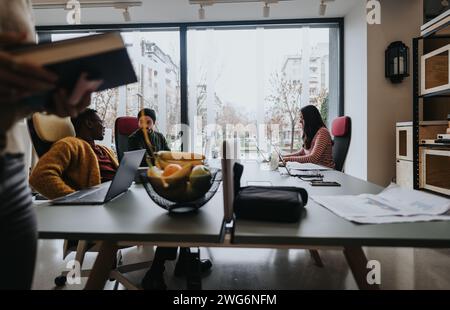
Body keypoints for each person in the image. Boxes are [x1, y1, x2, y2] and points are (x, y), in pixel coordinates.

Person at [0, 0, 100, 290]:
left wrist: (49, 96)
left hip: (10, 164)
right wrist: (78, 201)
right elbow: (42, 177)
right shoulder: (71, 145)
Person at [128, 108, 212, 290]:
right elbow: (138, 163)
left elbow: (169, 156)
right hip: (144, 181)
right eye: (141, 122)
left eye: (148, 122)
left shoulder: (159, 136)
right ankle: (164, 268)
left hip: (164, 179)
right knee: (176, 215)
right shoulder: (133, 138)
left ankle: (182, 261)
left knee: (182, 204)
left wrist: (180, 164)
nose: (144, 125)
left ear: (154, 123)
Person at [30, 109, 118, 199]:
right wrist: (76, 199)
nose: (104, 127)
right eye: (101, 122)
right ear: (89, 123)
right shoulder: (70, 144)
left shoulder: (104, 150)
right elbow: (40, 177)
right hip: (98, 203)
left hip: (115, 195)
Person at [283, 105, 335, 169]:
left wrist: (287, 159)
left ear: (310, 119)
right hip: (314, 170)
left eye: (302, 118)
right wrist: (283, 157)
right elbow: (302, 152)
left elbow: (312, 158)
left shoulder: (323, 132)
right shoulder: (311, 133)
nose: (300, 121)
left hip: (325, 172)